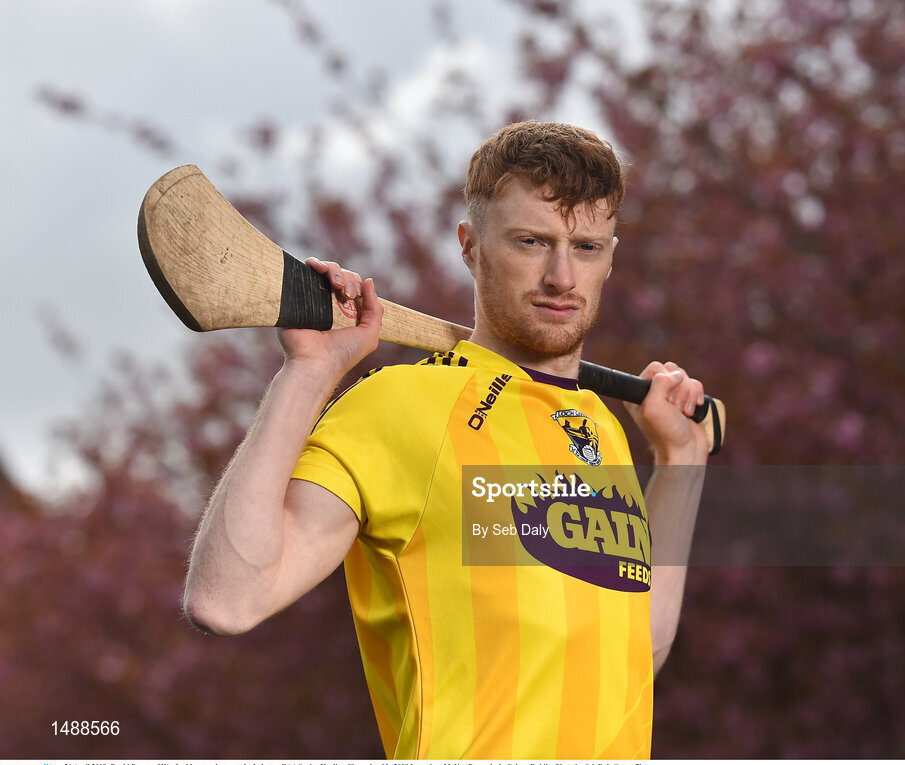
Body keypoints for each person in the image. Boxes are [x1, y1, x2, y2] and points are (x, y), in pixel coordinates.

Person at [183, 121, 709, 759]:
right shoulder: (400, 406)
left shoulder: (598, 428)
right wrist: (310, 371)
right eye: (531, 241)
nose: (562, 276)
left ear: (610, 258)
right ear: (470, 246)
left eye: (587, 247)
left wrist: (681, 461)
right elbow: (226, 599)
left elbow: (634, 653)